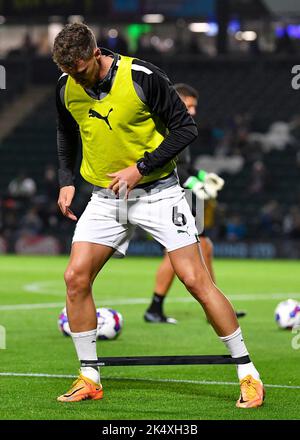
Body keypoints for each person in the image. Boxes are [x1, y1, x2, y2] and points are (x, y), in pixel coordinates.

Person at [52, 23, 265, 408]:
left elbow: (186, 128)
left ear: (96, 54)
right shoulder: (66, 86)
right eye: (69, 72)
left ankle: (248, 373)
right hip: (105, 197)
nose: (76, 79)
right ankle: (89, 376)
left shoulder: (142, 77)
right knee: (75, 277)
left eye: (80, 70)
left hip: (157, 192)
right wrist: (67, 180)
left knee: (196, 280)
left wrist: (141, 167)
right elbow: (67, 134)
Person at [144, 84, 246, 324]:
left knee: (205, 246)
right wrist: (192, 180)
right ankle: (155, 308)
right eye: (188, 105)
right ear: (176, 102)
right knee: (176, 251)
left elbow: (184, 166)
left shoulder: (181, 127)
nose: (192, 111)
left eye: (194, 106)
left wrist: (201, 176)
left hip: (180, 196)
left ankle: (214, 308)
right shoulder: (162, 127)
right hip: (162, 196)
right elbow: (163, 164)